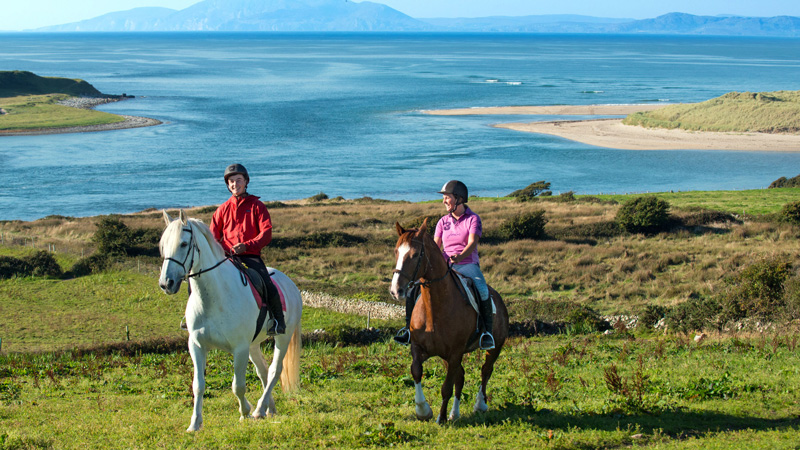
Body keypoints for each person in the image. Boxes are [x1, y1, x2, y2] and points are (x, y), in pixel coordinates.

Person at [394, 180, 495, 350]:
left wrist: (460, 256)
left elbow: (472, 243)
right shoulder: (442, 222)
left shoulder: (473, 219)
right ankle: (408, 331)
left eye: (447, 197)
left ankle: (487, 333)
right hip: (445, 266)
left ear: (459, 199)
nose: (444, 201)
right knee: (413, 290)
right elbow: (435, 246)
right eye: (444, 198)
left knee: (483, 290)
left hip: (467, 264)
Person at [209, 163, 285, 335]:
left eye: (238, 180)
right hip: (226, 258)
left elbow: (266, 234)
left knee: (267, 283)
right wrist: (224, 249)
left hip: (250, 256)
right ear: (228, 185)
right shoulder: (221, 210)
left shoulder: (258, 206)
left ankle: (278, 321)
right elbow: (212, 238)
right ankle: (194, 317)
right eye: (231, 182)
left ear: (246, 182)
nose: (235, 184)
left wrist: (246, 246)